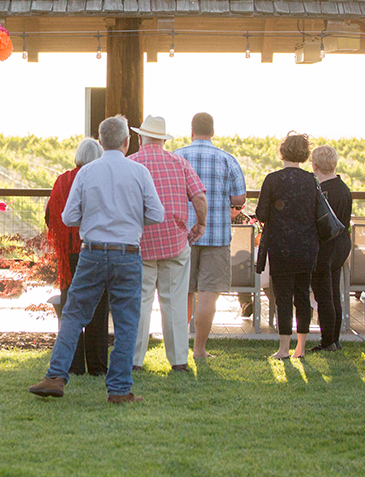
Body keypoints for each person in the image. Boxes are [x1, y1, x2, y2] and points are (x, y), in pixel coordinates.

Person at [28, 116, 164, 404]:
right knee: (127, 322)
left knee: (74, 314)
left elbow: (68, 217)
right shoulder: (139, 173)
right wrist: (132, 219)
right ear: (127, 142)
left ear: (100, 142)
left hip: (91, 251)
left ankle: (55, 376)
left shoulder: (86, 173)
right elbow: (157, 214)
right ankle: (119, 389)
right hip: (127, 252)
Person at [128, 116, 207, 372]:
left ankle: (135, 361)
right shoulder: (178, 162)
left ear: (140, 138)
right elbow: (199, 198)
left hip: (140, 243)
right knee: (173, 302)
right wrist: (200, 224)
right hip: (174, 241)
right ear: (163, 140)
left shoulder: (132, 163)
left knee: (140, 302)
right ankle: (179, 361)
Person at [175, 112, 246, 359]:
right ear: (213, 132)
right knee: (208, 296)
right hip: (216, 236)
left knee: (183, 293)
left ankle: (179, 349)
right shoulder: (227, 160)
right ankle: (200, 350)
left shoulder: (178, 157)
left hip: (182, 237)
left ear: (191, 131)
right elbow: (239, 199)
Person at [44, 138, 108, 376]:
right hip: (95, 250)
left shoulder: (62, 180)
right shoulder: (100, 179)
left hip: (69, 255)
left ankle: (74, 364)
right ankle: (98, 366)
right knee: (98, 309)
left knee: (71, 309)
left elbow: (51, 214)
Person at [255, 132, 320, 360]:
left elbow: (261, 213)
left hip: (281, 245)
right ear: (304, 153)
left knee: (283, 297)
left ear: (282, 152)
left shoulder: (272, 180)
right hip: (306, 245)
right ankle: (300, 348)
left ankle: (283, 348)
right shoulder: (311, 180)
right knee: (302, 295)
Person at [308, 145, 352, 353]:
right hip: (342, 244)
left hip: (326, 246)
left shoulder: (321, 191)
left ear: (314, 165)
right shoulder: (343, 188)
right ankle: (335, 338)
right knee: (335, 292)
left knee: (323, 294)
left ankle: (327, 341)